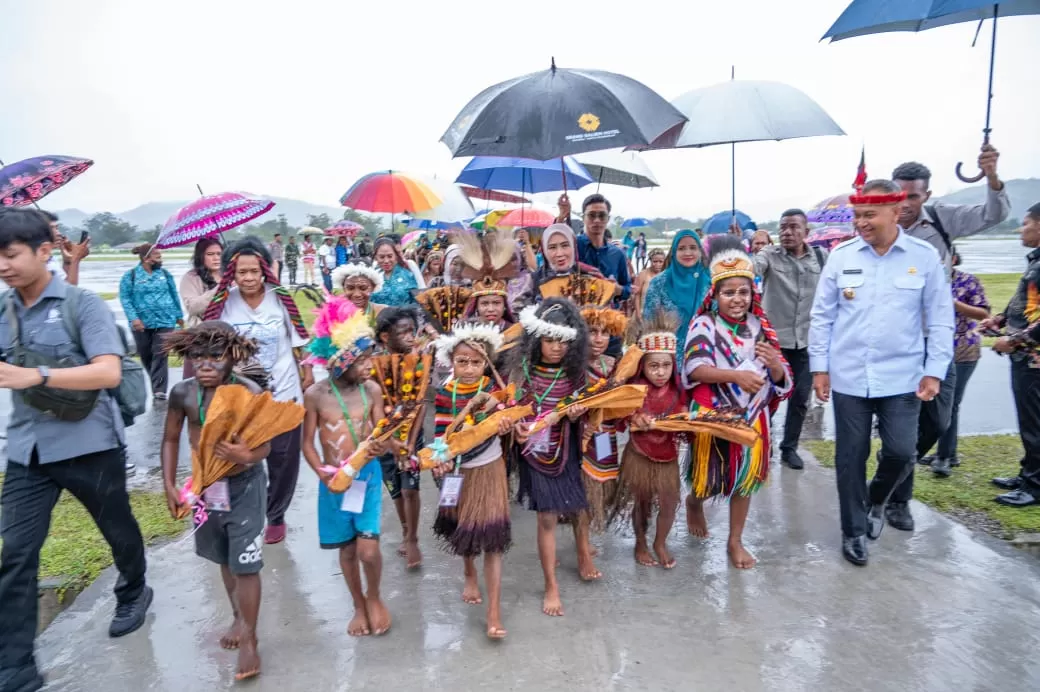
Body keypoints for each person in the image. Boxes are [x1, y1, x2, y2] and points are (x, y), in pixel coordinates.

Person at [0, 209, 151, 692]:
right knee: (17, 555)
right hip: (28, 452)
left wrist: (36, 376)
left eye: (11, 254)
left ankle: (133, 589)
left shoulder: (82, 304)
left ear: (45, 251)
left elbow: (108, 372)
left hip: (89, 444)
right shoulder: (3, 312)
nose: (3, 265)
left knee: (117, 528)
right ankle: (16, 667)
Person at [809, 180, 953, 566]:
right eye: (857, 215)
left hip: (902, 375)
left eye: (869, 215)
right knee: (850, 455)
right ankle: (853, 530)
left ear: (896, 211)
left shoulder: (923, 258)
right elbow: (822, 317)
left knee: (902, 452)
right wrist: (819, 368)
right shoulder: (841, 257)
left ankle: (876, 498)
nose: (861, 223)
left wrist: (934, 371)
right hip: (849, 376)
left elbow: (940, 320)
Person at [890, 149, 1009, 521]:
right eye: (900, 194)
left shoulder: (943, 218)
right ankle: (897, 499)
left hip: (938, 341)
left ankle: (893, 464)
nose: (906, 203)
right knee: (904, 423)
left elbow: (993, 214)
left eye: (913, 195)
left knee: (939, 421)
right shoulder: (880, 224)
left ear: (926, 195)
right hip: (897, 342)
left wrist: (990, 176)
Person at [160, 322, 270, 681]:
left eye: (215, 356)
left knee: (247, 562)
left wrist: (246, 454)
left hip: (246, 486)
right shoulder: (182, 394)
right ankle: (238, 614)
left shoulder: (250, 391)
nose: (205, 364)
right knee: (225, 555)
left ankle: (251, 638)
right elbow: (171, 439)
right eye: (197, 357)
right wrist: (169, 485)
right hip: (206, 487)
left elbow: (265, 445)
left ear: (233, 357)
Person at [684, 236, 792, 569]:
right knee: (710, 477)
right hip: (714, 413)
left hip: (752, 416)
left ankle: (734, 540)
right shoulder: (704, 325)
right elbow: (694, 368)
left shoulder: (761, 327)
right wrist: (735, 377)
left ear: (752, 294)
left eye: (743, 292)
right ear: (714, 296)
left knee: (744, 479)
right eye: (728, 292)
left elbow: (782, 374)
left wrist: (774, 366)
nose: (736, 299)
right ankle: (694, 502)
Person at [202, 236, 314, 544]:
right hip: (242, 396)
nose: (249, 278)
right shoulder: (224, 302)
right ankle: (241, 509)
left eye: (254, 271)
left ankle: (276, 514)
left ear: (265, 269)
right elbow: (211, 342)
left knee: (283, 457)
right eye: (241, 272)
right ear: (231, 274)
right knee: (241, 454)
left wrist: (307, 371)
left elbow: (299, 337)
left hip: (284, 390)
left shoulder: (280, 298)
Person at [300, 294, 392, 636]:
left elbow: (382, 430)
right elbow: (307, 444)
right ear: (340, 361)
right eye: (363, 360)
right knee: (348, 548)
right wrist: (321, 475)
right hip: (334, 482)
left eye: (371, 358)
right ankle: (357, 604)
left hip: (366, 477)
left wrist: (394, 445)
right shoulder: (316, 396)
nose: (370, 366)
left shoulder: (371, 391)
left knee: (368, 551)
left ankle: (375, 596)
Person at [510, 299, 598, 617]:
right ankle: (551, 584)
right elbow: (511, 408)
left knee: (577, 505)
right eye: (549, 340)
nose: (556, 348)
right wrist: (517, 427)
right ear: (536, 339)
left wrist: (577, 414)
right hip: (534, 452)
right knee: (546, 517)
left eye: (563, 341)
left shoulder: (575, 374)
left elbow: (586, 410)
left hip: (567, 448)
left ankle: (583, 550)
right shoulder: (522, 372)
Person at [430, 323, 513, 640]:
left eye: (475, 362)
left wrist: (505, 426)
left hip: (489, 469)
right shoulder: (444, 395)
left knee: (493, 540)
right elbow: (440, 436)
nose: (468, 368)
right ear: (451, 361)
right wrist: (442, 457)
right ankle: (468, 572)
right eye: (461, 361)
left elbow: (507, 422)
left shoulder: (496, 391)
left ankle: (494, 611)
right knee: (462, 528)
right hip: (456, 474)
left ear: (486, 362)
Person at [752, 209, 828, 470]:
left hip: (807, 342)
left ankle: (789, 448)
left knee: (800, 398)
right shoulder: (769, 256)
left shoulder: (821, 257)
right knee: (767, 397)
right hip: (773, 343)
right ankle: (762, 442)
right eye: (783, 227)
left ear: (807, 232)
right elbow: (753, 267)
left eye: (794, 227)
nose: (787, 232)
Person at [613, 313, 687, 569]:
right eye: (653, 366)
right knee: (642, 502)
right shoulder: (633, 391)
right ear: (642, 365)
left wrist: (685, 422)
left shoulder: (678, 392)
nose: (660, 372)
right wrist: (634, 415)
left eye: (666, 366)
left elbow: (687, 424)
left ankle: (660, 542)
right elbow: (618, 415)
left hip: (668, 457)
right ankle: (641, 541)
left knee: (669, 502)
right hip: (639, 454)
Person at [986, 203, 1040, 507]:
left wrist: (1015, 341)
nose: (1022, 229)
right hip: (1026, 356)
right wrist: (1001, 320)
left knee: (1035, 424)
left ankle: (1034, 487)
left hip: (1034, 358)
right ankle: (1027, 474)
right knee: (1028, 421)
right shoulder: (1035, 261)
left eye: (1025, 223)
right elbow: (1024, 300)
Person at [919, 247, 990, 477]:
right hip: (933, 349)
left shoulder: (968, 281)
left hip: (962, 349)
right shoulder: (925, 281)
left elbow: (983, 313)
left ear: (954, 260)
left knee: (951, 404)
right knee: (932, 404)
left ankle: (946, 456)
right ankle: (937, 449)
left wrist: (951, 302)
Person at [374, 306, 425, 567]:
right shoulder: (372, 365)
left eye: (411, 331)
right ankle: (406, 530)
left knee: (410, 490)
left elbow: (420, 404)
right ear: (384, 337)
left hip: (411, 437)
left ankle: (414, 537)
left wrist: (409, 443)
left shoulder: (419, 361)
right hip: (383, 440)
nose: (410, 336)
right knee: (395, 490)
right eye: (402, 332)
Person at [579, 306, 627, 533]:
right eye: (592, 332)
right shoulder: (573, 365)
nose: (599, 339)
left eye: (605, 333)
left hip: (606, 435)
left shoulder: (615, 365)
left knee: (600, 488)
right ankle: (582, 544)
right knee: (581, 491)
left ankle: (586, 535)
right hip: (580, 436)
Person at [118, 242, 183, 400]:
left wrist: (179, 315)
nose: (161, 259)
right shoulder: (131, 276)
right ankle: (155, 381)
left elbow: (174, 294)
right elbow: (125, 298)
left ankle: (159, 389)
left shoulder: (165, 275)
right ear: (147, 258)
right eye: (157, 256)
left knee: (160, 353)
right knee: (146, 354)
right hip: (141, 323)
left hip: (166, 321)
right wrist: (134, 318)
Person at [642, 229, 711, 365]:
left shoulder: (710, 281)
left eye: (693, 248)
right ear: (674, 252)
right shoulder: (659, 283)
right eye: (681, 248)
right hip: (670, 360)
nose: (687, 253)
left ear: (700, 251)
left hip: (706, 355)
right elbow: (649, 322)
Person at [575, 195, 632, 328]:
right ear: (583, 217)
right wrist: (561, 216)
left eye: (602, 215)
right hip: (578, 325)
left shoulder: (618, 254)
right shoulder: (573, 247)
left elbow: (628, 288)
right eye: (591, 215)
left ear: (608, 219)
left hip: (607, 327)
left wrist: (618, 289)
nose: (597, 220)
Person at [180, 238, 224, 328]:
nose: (216, 258)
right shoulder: (191, 277)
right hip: (204, 330)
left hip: (230, 327)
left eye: (219, 254)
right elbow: (193, 307)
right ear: (200, 256)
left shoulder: (229, 274)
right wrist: (220, 288)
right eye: (210, 254)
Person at [42, 210, 89, 286]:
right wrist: (76, 259)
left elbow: (63, 283)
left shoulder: (49, 258)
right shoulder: (36, 261)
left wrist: (68, 261)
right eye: (51, 229)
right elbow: (67, 292)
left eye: (56, 228)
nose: (58, 233)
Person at [370, 237, 419, 307]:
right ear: (375, 257)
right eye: (382, 257)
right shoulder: (371, 277)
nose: (386, 261)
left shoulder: (408, 275)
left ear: (396, 256)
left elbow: (417, 300)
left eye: (390, 256)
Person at [632, 247, 665, 315]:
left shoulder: (666, 275)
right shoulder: (643, 274)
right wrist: (638, 314)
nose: (657, 264)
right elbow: (637, 295)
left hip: (661, 315)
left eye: (660, 262)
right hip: (643, 313)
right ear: (650, 260)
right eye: (655, 261)